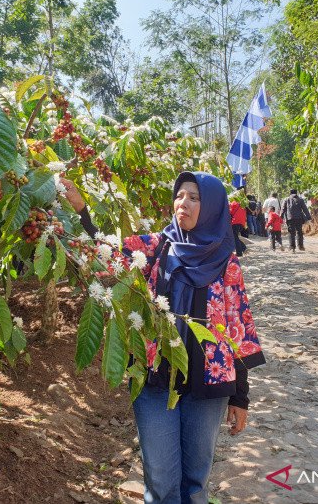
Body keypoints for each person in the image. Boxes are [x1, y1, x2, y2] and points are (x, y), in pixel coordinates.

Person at [62, 172, 266, 504]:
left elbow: (237, 331)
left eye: (194, 197)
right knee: (160, 480)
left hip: (208, 386)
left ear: (212, 207)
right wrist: (83, 210)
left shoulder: (227, 261)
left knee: (196, 482)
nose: (183, 202)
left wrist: (240, 397)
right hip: (156, 379)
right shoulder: (158, 246)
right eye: (180, 195)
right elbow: (107, 252)